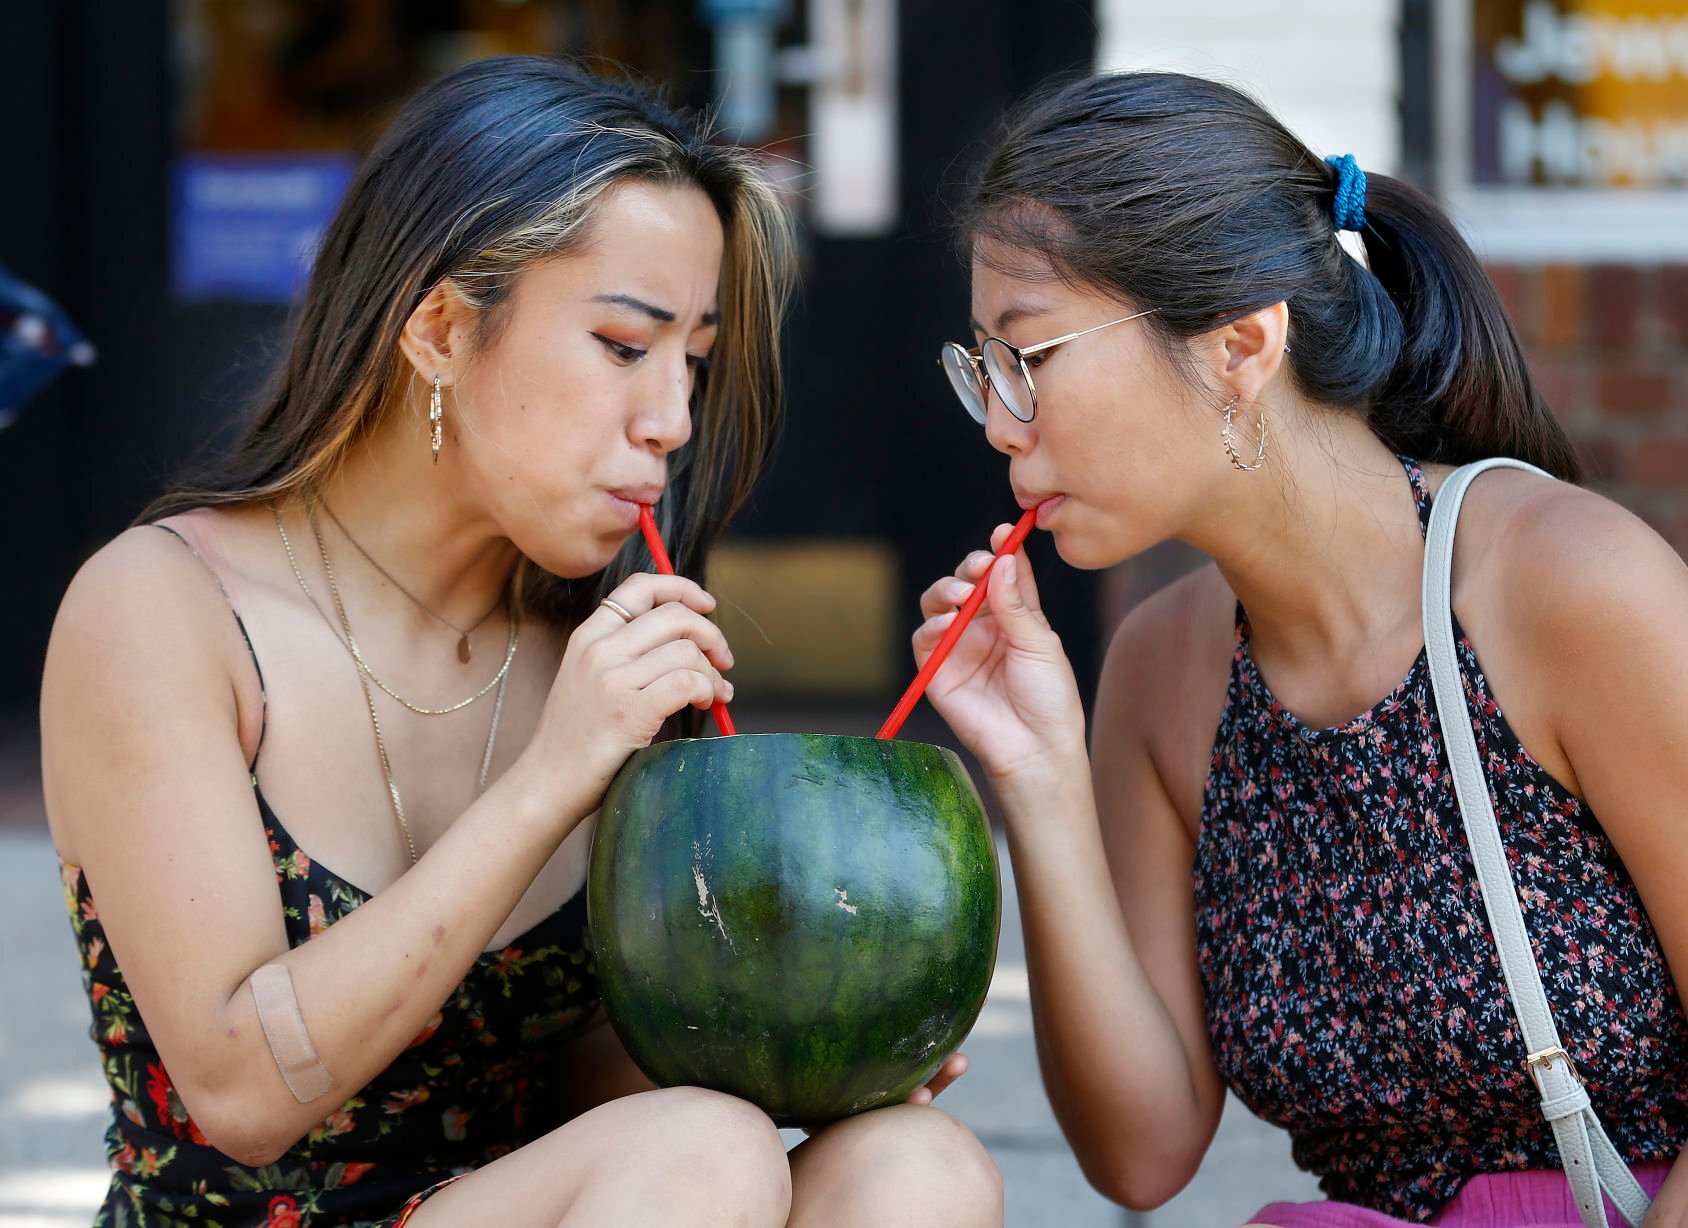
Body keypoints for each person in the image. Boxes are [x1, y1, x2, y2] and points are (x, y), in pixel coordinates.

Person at [41, 56, 1001, 1228]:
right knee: (699, 1154)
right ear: (440, 326)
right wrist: (553, 773)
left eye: (691, 360)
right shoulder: (165, 609)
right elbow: (242, 1087)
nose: (672, 421)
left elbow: (578, 1086)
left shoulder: (596, 633)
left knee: (916, 1163)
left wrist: (813, 1035)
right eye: (621, 345)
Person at [914, 70, 1688, 1228]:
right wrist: (1035, 775)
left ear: (1239, 345)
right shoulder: (1160, 670)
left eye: (1032, 356)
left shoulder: (1566, 586)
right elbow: (1142, 1152)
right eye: (985, 364)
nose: (997, 419)